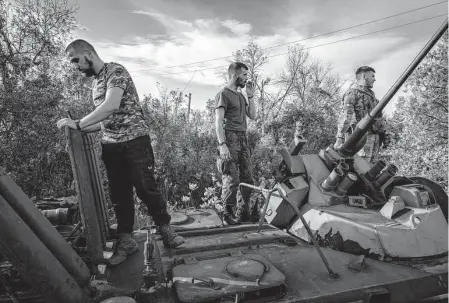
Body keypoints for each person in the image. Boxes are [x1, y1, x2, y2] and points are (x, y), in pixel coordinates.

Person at [56, 39, 184, 267]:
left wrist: (78, 122)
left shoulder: (115, 71)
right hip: (111, 145)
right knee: (119, 195)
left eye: (76, 60)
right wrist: (81, 127)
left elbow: (112, 105)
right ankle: (126, 241)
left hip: (135, 141)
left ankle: (166, 230)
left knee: (146, 188)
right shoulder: (95, 84)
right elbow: (104, 121)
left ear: (88, 53)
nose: (75, 66)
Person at [215, 62, 257, 225]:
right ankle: (227, 214)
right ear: (235, 75)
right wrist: (222, 144)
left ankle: (242, 213)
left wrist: (251, 96)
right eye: (244, 75)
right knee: (231, 179)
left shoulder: (240, 96)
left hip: (242, 138)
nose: (247, 78)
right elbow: (218, 121)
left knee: (248, 178)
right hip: (229, 138)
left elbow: (252, 115)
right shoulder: (223, 94)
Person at [334, 66, 386, 163]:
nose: (375, 79)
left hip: (375, 139)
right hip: (361, 139)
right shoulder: (353, 93)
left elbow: (380, 120)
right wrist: (339, 139)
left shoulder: (374, 98)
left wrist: (383, 139)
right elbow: (346, 117)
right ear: (364, 76)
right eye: (372, 76)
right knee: (360, 167)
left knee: (371, 170)